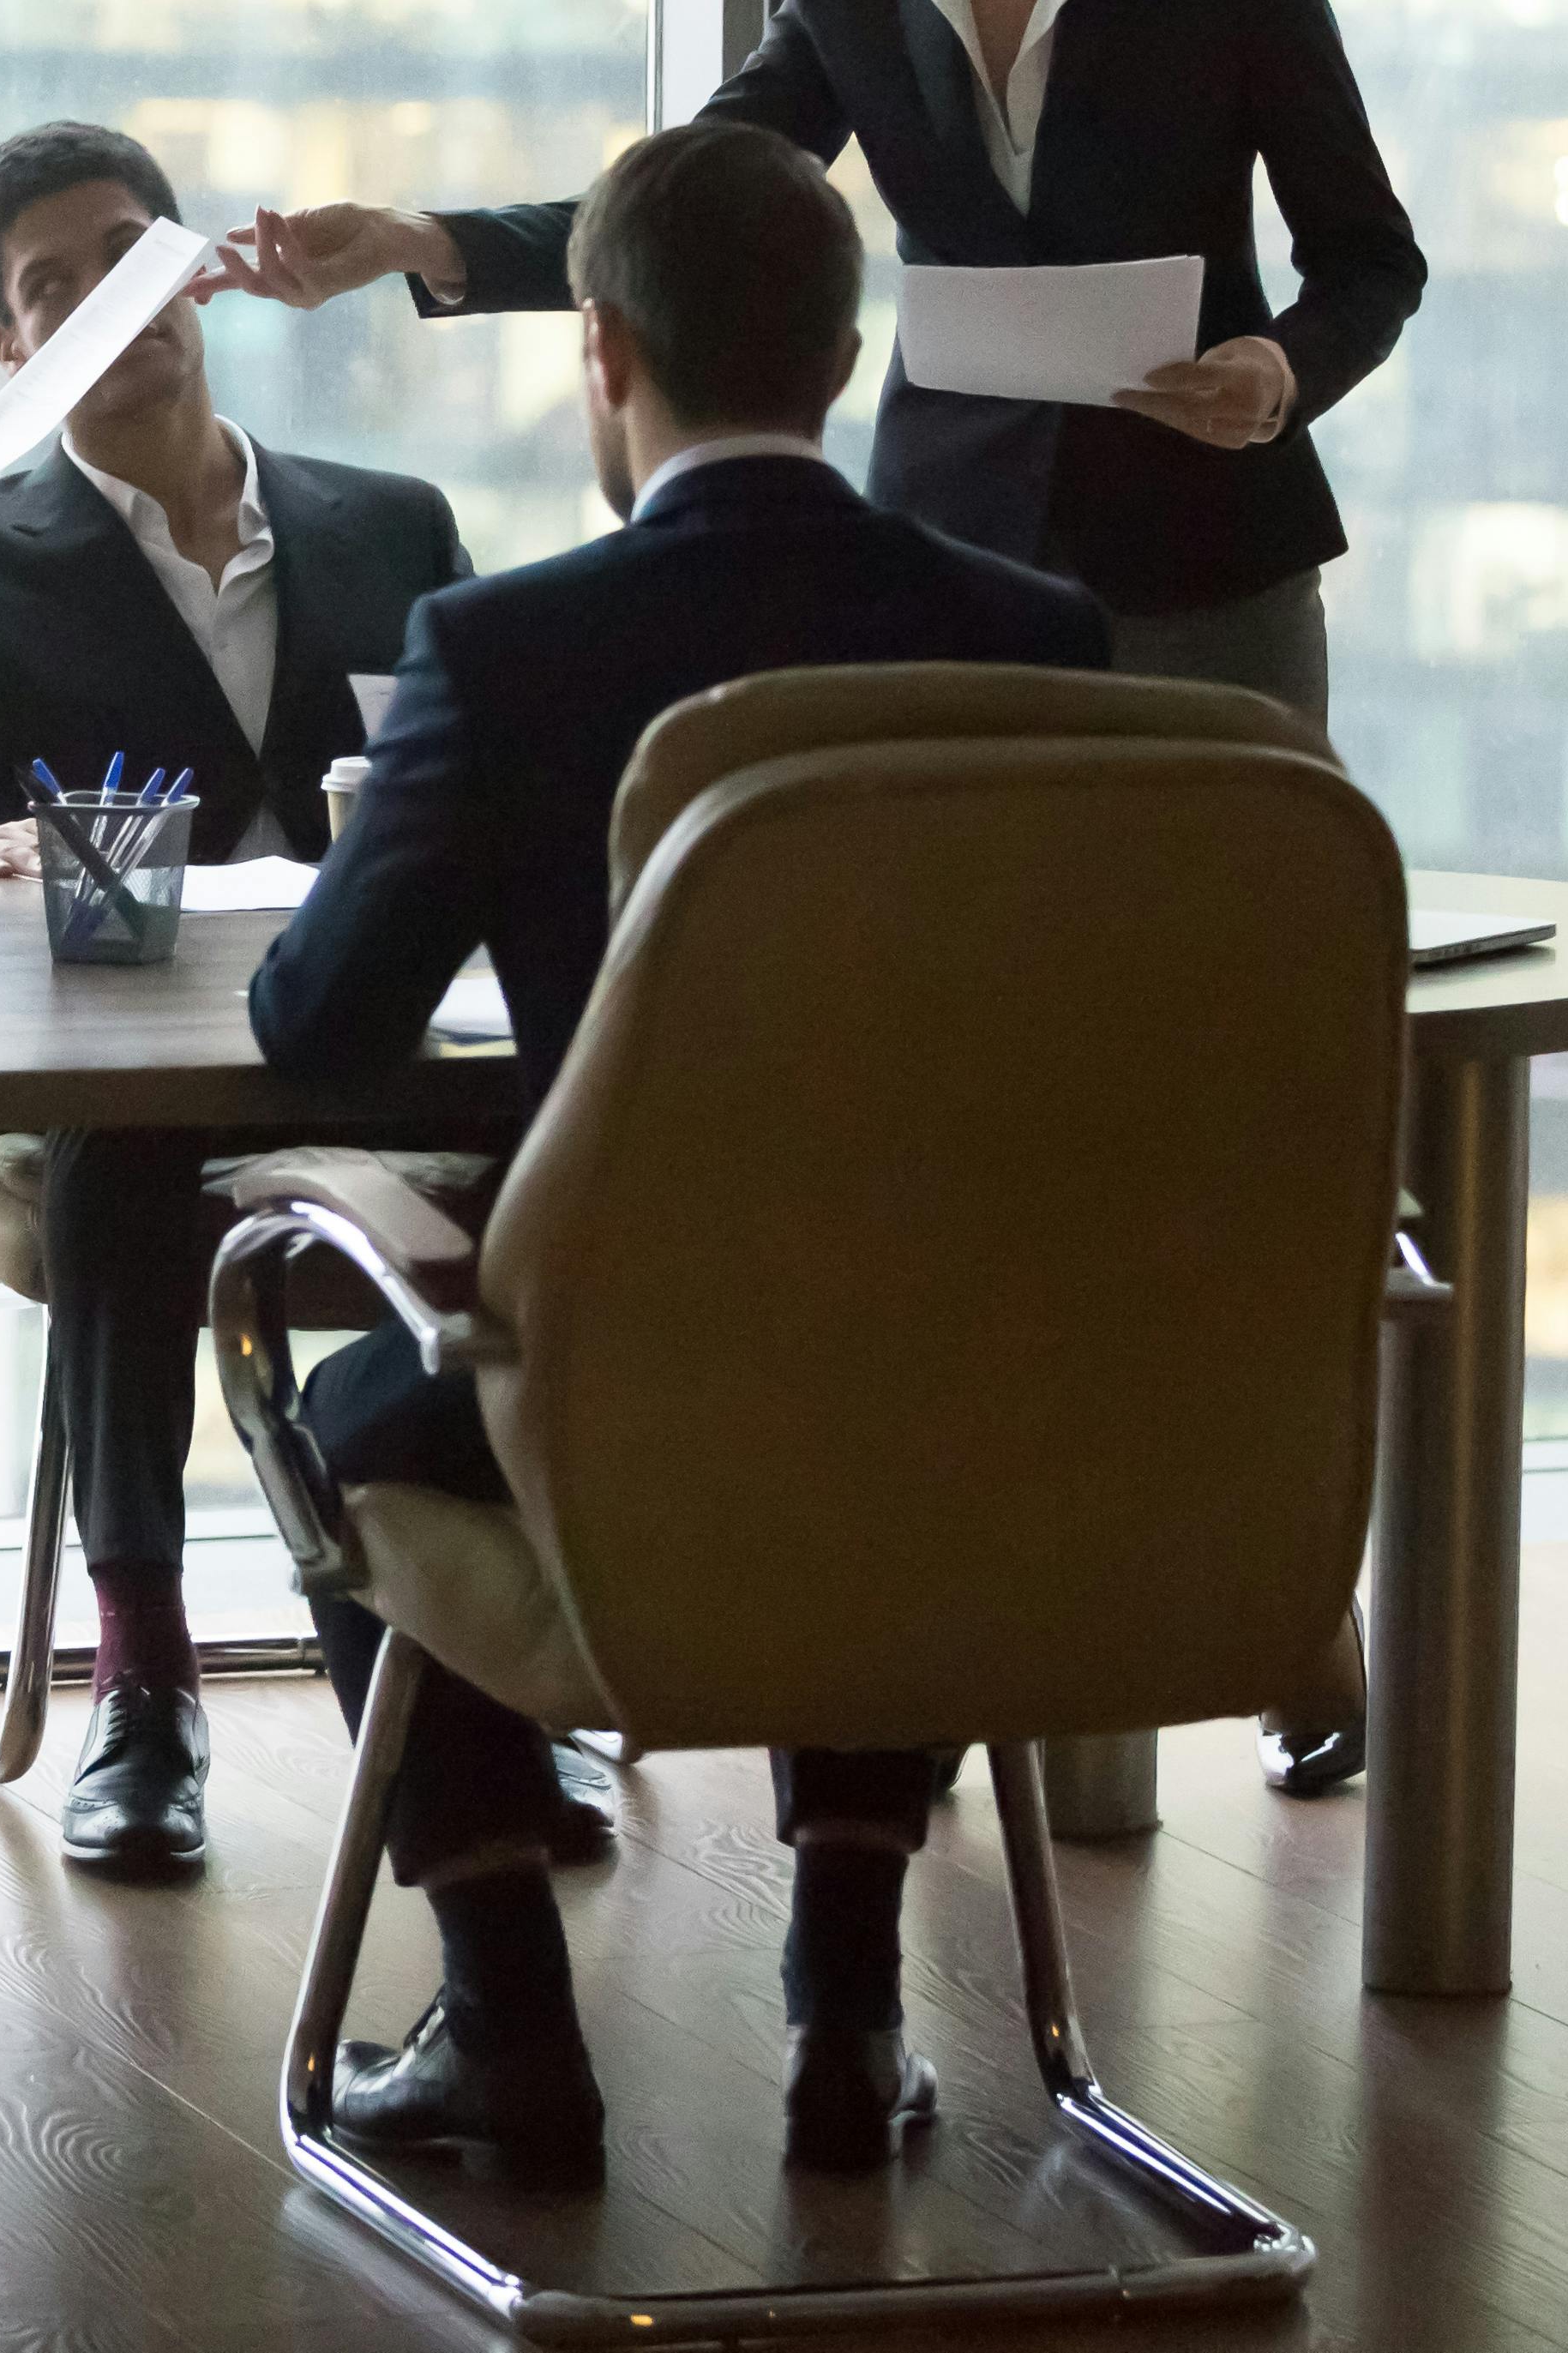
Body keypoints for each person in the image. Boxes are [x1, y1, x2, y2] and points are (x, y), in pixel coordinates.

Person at [219, 0, 1407, 1793]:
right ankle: (1023, 1598)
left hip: (1200, 568)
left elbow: (1361, 255)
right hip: (958, 567)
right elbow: (701, 196)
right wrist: (420, 246)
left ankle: (1255, 1558)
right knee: (954, 1079)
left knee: (1199, 1078)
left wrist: (1283, 371)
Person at [245, 118, 1107, 2191]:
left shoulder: (508, 650)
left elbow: (318, 1028)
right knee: (875, 1370)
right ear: (841, 346)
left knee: (336, 1403)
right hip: (978, 1387)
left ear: (601, 352)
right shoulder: (1040, 639)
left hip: (629, 1395)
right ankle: (849, 2009)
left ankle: (513, 2035)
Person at [0, 119, 478, 1874]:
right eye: (60, 284)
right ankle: (141, 1678)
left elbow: (497, 779)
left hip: (369, 1043)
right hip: (105, 1055)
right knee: (131, 1149)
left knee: (548, 1127)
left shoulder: (389, 525)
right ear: (11, 342)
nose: (114, 306)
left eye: (136, 255)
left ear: (194, 270)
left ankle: (482, 1692)